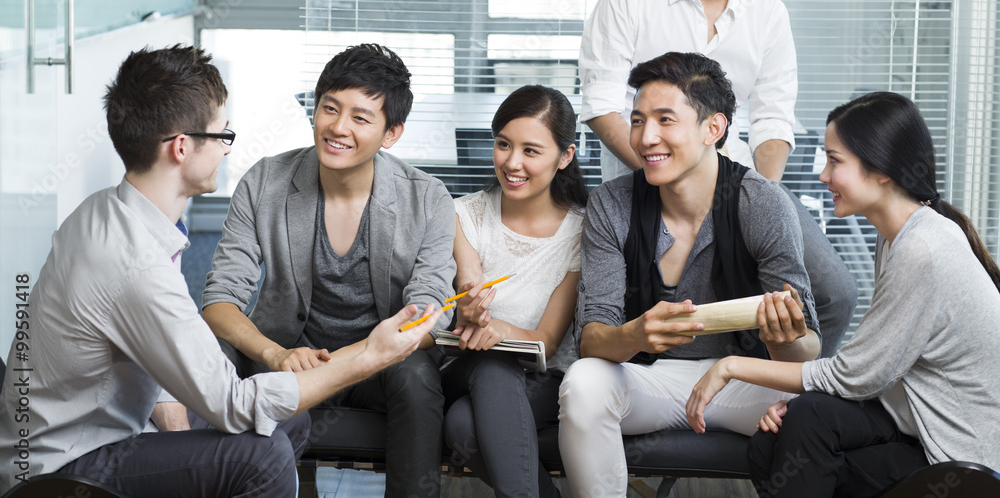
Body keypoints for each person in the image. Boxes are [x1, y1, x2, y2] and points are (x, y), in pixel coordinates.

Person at [0, 45, 440, 496]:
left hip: (107, 433)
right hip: (67, 467)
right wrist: (369, 356)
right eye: (221, 135)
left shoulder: (113, 214)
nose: (228, 148)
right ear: (182, 147)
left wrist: (177, 428)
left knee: (285, 421)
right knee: (263, 454)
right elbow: (233, 404)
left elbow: (151, 340)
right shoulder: (136, 263)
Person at [578, 0, 855, 358]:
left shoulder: (767, 13)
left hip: (739, 181)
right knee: (665, 308)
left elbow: (773, 116)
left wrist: (756, 201)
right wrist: (663, 165)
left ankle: (772, 396)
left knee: (834, 294)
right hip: (646, 181)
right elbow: (600, 104)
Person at [686, 91, 1000, 497]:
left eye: (835, 161)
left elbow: (853, 376)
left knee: (799, 434)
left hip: (954, 456)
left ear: (882, 168)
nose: (823, 176)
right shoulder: (896, 239)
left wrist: (729, 366)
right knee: (781, 435)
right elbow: (875, 365)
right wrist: (801, 402)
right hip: (913, 418)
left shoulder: (922, 250)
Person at [558, 52, 821, 498]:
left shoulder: (762, 203)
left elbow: (808, 350)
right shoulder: (611, 204)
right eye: (638, 120)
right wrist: (636, 334)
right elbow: (592, 339)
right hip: (649, 379)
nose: (646, 137)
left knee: (821, 406)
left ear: (712, 129)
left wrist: (784, 338)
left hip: (742, 381)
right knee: (583, 383)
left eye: (665, 120)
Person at [201, 43, 456, 498]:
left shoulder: (428, 197)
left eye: (360, 118)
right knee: (217, 348)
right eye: (329, 109)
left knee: (416, 373)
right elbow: (220, 301)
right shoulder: (265, 181)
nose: (338, 128)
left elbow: (430, 313)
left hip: (380, 366)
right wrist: (277, 356)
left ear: (392, 133)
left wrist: (357, 359)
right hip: (286, 355)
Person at [443, 85, 588, 498]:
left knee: (461, 425)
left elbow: (547, 340)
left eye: (530, 150)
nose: (511, 162)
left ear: (565, 157)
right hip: (467, 367)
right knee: (491, 365)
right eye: (503, 144)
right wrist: (470, 310)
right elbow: (470, 282)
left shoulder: (583, 230)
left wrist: (501, 331)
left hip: (543, 377)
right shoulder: (464, 214)